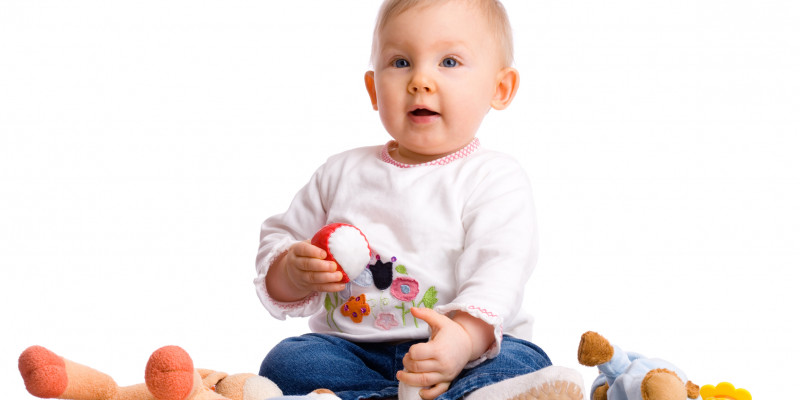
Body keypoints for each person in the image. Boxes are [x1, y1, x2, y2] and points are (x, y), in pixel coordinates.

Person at [254, 1, 584, 399]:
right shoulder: (340, 172)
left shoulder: (494, 178)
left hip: (467, 353)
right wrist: (291, 271)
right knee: (289, 362)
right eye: (400, 62)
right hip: (354, 351)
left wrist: (462, 341)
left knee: (523, 363)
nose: (420, 80)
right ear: (374, 89)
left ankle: (456, 391)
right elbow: (281, 238)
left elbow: (498, 275)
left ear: (500, 88)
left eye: (448, 61)